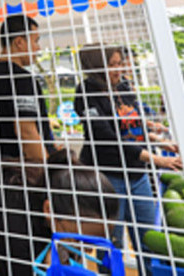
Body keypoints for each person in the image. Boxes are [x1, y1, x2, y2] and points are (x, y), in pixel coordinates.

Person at [74, 43, 182, 274]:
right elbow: (106, 136)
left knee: (148, 238)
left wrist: (160, 141)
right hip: (109, 176)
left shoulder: (123, 87)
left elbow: (133, 124)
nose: (119, 69)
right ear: (96, 66)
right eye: (113, 64)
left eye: (120, 63)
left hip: (137, 175)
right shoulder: (86, 93)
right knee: (113, 242)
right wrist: (155, 159)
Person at [0, 149, 119, 275]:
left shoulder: (54, 199)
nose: (88, 250)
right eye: (81, 240)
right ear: (49, 210)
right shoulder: (15, 219)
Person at [0, 14, 56, 162]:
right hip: (27, 170)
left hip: (2, 167)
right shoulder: (21, 78)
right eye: (35, 41)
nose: (38, 48)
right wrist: (48, 170)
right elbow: (26, 131)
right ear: (19, 42)